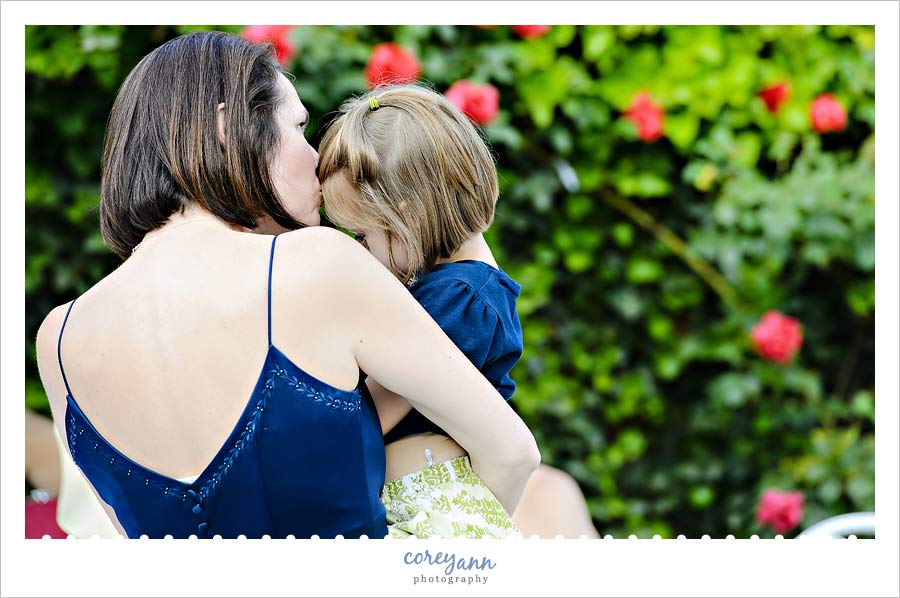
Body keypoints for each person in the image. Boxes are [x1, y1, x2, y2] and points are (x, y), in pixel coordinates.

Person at [34, 31, 539, 540]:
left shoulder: (57, 339)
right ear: (228, 128)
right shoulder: (318, 264)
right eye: (298, 126)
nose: (315, 157)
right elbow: (512, 451)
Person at [317, 85, 597, 540]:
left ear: (405, 216)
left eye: (364, 235)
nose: (360, 252)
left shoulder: (457, 300)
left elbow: (367, 415)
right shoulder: (470, 289)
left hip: (429, 507)